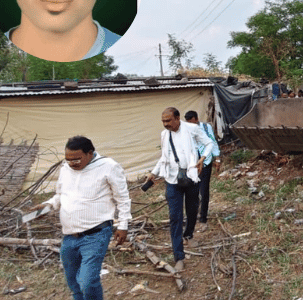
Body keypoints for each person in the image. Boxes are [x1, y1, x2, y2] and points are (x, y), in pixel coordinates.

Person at [30, 136, 131, 300]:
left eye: (76, 159)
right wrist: (47, 206)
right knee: (73, 283)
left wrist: (123, 225)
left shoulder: (108, 166)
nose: (72, 164)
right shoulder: (66, 168)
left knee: (87, 282)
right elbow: (61, 195)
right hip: (69, 235)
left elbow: (123, 198)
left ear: (90, 153)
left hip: (96, 234)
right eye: (68, 159)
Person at [146, 107, 214, 271]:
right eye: (163, 121)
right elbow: (164, 157)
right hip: (172, 180)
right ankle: (179, 256)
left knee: (192, 209)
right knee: (175, 217)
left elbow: (209, 143)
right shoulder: (165, 135)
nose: (165, 124)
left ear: (177, 118)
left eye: (168, 120)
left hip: (190, 176)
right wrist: (154, 173)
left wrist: (202, 158)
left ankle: (189, 234)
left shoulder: (191, 129)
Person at [184, 110, 220, 233]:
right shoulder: (186, 129)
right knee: (192, 191)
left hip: (205, 162)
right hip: (192, 164)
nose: (190, 124)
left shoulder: (205, 127)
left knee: (204, 191)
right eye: (188, 122)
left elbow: (212, 141)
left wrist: (217, 158)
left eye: (191, 121)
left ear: (196, 119)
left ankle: (203, 218)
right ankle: (192, 216)